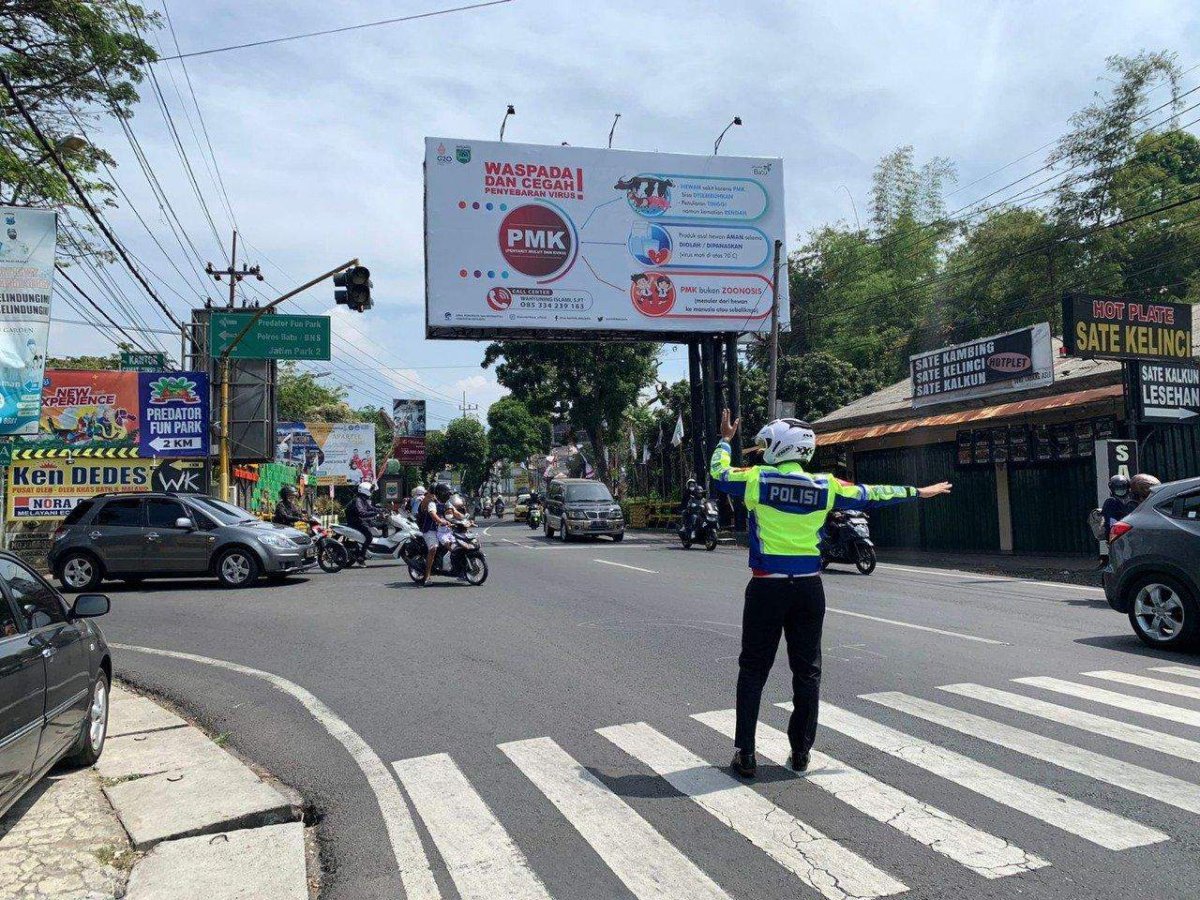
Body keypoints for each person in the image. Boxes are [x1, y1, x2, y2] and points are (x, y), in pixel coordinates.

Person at [711, 410, 952, 778]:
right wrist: (917, 492)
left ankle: (746, 753)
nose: (760, 452)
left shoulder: (756, 480)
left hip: (767, 586)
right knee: (807, 672)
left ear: (778, 448)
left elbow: (719, 473)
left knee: (753, 670)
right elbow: (872, 495)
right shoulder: (826, 486)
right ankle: (802, 751)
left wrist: (725, 440)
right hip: (809, 588)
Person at [418, 483, 454, 582]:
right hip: (430, 530)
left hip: (442, 530)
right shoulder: (432, 502)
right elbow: (433, 515)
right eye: (446, 494)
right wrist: (440, 521)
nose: (448, 496)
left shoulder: (447, 503)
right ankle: (427, 576)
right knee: (433, 548)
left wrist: (466, 519)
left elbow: (455, 512)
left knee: (456, 544)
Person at [345, 481, 380, 566]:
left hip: (360, 521)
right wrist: (375, 514)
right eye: (370, 490)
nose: (371, 492)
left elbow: (370, 508)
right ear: (365, 490)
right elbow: (362, 513)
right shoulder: (358, 500)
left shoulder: (362, 499)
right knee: (369, 536)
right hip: (355, 522)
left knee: (381, 526)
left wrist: (381, 510)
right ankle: (361, 557)